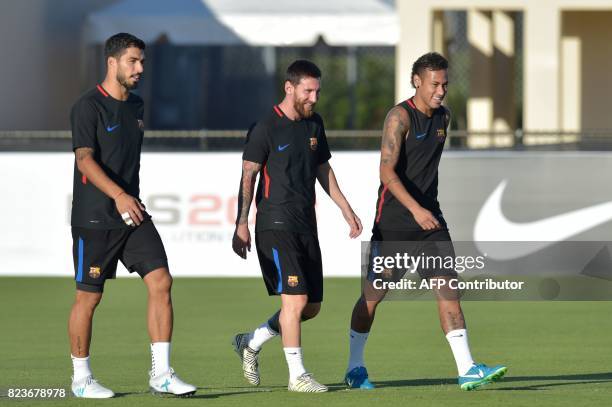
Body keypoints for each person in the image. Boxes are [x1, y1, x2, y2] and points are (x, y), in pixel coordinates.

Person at [343, 52, 507, 391]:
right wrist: (415, 210)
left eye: (445, 84)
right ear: (416, 81)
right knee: (373, 297)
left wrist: (425, 211)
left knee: (449, 289)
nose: (441, 90)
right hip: (394, 225)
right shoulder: (399, 117)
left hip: (431, 222)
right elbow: (386, 171)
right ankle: (354, 367)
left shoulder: (444, 117)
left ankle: (468, 369)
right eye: (435, 84)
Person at [67, 33, 196, 398]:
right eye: (133, 61)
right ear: (113, 62)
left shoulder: (136, 106)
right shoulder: (87, 106)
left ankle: (162, 375)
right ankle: (81, 379)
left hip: (132, 214)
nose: (140, 68)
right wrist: (120, 195)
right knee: (88, 298)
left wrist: (128, 200)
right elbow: (84, 160)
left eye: (142, 62)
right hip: (94, 219)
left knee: (161, 281)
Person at [231, 60, 363, 393]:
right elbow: (249, 175)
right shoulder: (265, 127)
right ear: (289, 88)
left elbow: (323, 169)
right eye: (308, 90)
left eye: (317, 90)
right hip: (274, 224)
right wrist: (241, 223)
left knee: (312, 307)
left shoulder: (314, 124)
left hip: (306, 225)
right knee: (296, 299)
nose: (314, 97)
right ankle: (297, 376)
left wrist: (345, 208)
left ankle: (252, 341)